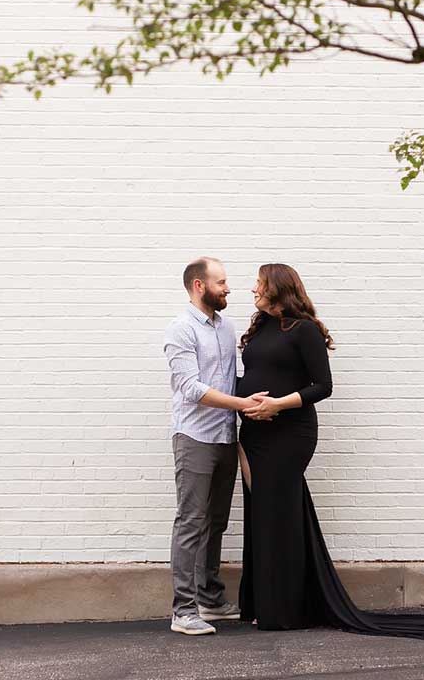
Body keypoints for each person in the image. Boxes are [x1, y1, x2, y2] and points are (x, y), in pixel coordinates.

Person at [236, 263, 424, 640]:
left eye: (259, 285)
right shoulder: (259, 328)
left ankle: (282, 610)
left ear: (279, 289)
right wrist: (240, 402)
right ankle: (261, 603)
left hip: (289, 435)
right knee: (261, 515)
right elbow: (250, 377)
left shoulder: (305, 331)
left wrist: (277, 405)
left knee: (280, 518)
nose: (253, 291)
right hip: (254, 435)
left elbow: (322, 387)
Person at [163, 257, 268, 636]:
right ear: (199, 286)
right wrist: (244, 405)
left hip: (225, 436)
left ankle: (209, 597)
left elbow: (230, 378)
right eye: (221, 282)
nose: (228, 288)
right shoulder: (181, 330)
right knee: (191, 522)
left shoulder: (227, 329)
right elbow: (191, 388)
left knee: (217, 522)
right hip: (194, 437)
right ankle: (183, 610)